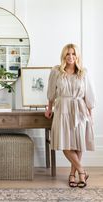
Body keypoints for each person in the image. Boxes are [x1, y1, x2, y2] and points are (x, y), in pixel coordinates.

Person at [45, 44, 95, 188]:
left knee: (78, 144)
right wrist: (49, 109)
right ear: (63, 56)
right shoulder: (56, 71)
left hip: (80, 110)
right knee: (66, 144)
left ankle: (74, 175)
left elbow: (89, 95)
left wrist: (90, 116)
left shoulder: (83, 73)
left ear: (77, 56)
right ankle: (82, 171)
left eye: (73, 54)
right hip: (62, 109)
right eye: (68, 54)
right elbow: (51, 92)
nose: (71, 57)